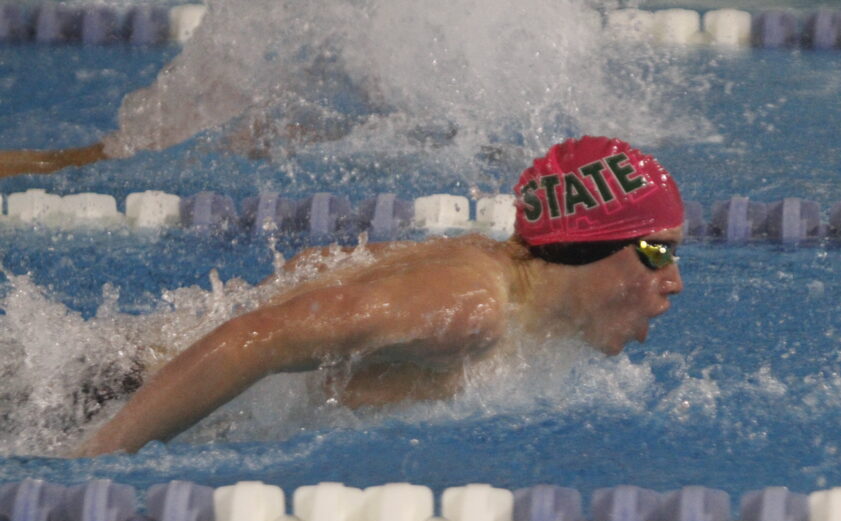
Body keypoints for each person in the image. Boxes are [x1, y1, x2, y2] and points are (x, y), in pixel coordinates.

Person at [74, 136, 685, 456]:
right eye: (656, 252)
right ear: (586, 244)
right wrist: (93, 463)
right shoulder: (468, 311)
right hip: (107, 387)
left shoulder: (504, 287)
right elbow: (252, 339)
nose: (674, 280)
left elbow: (314, 277)